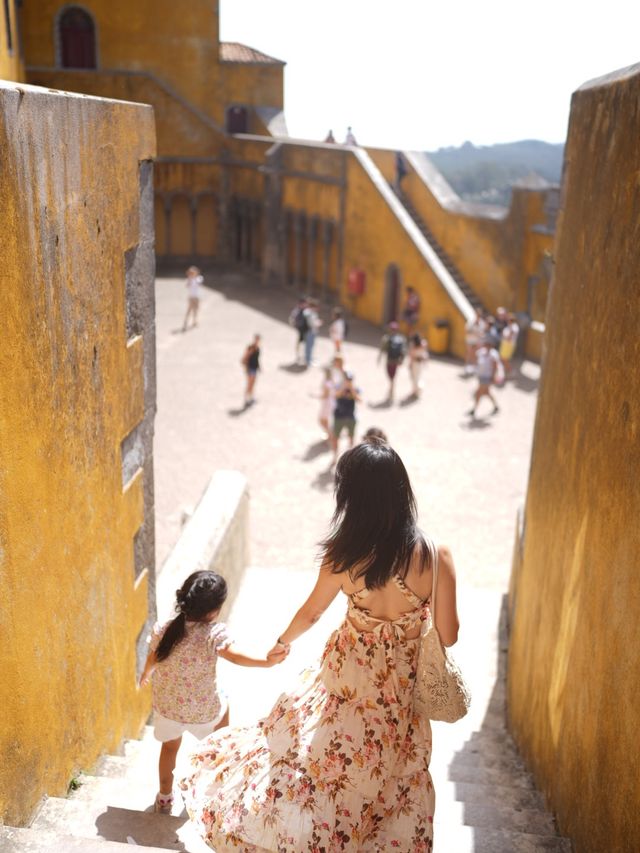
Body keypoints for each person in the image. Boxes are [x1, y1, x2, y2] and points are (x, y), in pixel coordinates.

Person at [178, 441, 460, 851]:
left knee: (328, 766)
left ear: (353, 498)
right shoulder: (436, 555)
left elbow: (311, 614)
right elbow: (449, 635)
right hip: (399, 692)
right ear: (402, 490)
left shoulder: (342, 556)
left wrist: (281, 643)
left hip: (346, 681)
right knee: (393, 775)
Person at [139, 570, 287, 815]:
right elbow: (237, 657)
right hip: (204, 713)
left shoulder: (164, 629)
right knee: (218, 744)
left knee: (168, 749)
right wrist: (266, 662)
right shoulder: (213, 634)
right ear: (213, 610)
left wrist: (146, 673)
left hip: (168, 709)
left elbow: (153, 656)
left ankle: (165, 797)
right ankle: (206, 791)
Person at [467, 336, 503, 418]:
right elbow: (475, 360)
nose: (486, 346)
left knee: (478, 393)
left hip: (487, 377)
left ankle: (474, 409)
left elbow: (495, 367)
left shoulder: (493, 354)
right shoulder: (481, 352)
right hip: (481, 376)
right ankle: (496, 406)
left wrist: (493, 378)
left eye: (488, 345)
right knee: (486, 393)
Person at [331, 369, 361, 463]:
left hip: (350, 417)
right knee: (335, 437)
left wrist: (351, 389)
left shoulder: (355, 389)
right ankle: (335, 455)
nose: (348, 381)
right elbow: (335, 396)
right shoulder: (338, 387)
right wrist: (343, 388)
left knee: (351, 437)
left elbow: (359, 400)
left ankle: (351, 457)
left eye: (350, 380)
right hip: (339, 417)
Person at [378, 321, 407, 402]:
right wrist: (402, 360)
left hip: (389, 361)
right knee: (393, 377)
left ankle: (391, 390)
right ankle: (391, 390)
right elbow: (404, 351)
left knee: (391, 377)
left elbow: (382, 350)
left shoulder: (386, 338)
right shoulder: (401, 339)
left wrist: (379, 359)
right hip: (396, 361)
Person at [464, 309, 487, 375]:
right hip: (470, 340)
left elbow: (482, 332)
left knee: (475, 355)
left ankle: (474, 368)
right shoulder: (471, 321)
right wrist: (475, 332)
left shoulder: (482, 323)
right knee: (469, 353)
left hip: (477, 341)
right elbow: (467, 330)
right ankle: (466, 367)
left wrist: (477, 334)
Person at [241, 334, 261, 406]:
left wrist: (259, 367)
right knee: (249, 384)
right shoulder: (251, 348)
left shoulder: (258, 348)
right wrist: (246, 368)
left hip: (254, 368)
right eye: (256, 339)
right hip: (250, 368)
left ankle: (251, 397)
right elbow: (245, 358)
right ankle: (246, 398)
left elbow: (257, 359)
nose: (257, 341)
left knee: (253, 384)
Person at [407, 332, 429, 397]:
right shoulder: (424, 343)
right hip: (420, 363)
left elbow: (411, 356)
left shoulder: (413, 346)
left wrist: (410, 364)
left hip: (415, 363)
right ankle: (416, 391)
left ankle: (416, 390)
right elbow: (425, 353)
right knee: (418, 377)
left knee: (414, 378)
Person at [288, 297, 308, 364]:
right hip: (300, 330)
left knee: (304, 344)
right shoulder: (297, 311)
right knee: (299, 344)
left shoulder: (306, 310)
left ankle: (303, 356)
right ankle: (298, 356)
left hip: (305, 330)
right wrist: (295, 326)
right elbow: (291, 319)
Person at [182, 266, 203, 331]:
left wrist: (192, 277)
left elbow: (199, 283)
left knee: (196, 310)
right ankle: (186, 321)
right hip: (191, 297)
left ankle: (195, 321)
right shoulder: (189, 279)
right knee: (189, 310)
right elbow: (187, 285)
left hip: (197, 297)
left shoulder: (199, 278)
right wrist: (190, 277)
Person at [499, 312, 519, 378]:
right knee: (503, 358)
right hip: (505, 344)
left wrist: (505, 336)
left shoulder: (514, 327)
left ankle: (511, 371)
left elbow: (509, 338)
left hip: (508, 345)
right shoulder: (509, 326)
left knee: (504, 359)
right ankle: (507, 370)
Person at [303, 298, 322, 367]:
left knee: (310, 346)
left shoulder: (311, 312)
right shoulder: (309, 313)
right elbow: (311, 323)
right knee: (309, 347)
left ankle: (309, 358)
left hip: (312, 331)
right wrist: (318, 323)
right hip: (310, 331)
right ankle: (308, 360)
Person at [318, 366, 335, 438]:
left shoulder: (327, 382)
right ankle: (329, 434)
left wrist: (316, 396)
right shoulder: (331, 381)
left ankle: (330, 434)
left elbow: (325, 395)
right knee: (326, 420)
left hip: (327, 403)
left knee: (322, 420)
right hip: (330, 402)